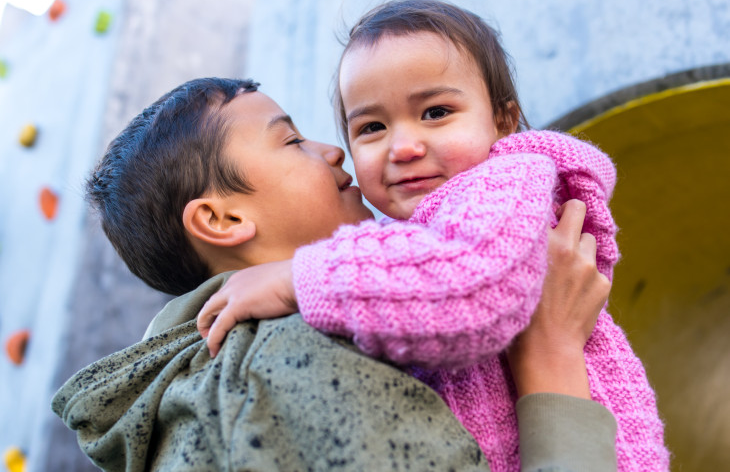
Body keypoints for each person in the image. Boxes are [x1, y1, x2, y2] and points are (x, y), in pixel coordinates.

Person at [197, 0, 670, 472]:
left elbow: (472, 288)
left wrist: (293, 279)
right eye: (372, 127)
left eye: (436, 112)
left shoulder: (506, 183)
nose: (403, 147)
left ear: (502, 121)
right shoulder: (424, 229)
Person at [52, 77, 618, 471]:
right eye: (292, 141)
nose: (334, 153)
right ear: (221, 219)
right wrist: (552, 356)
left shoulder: (198, 392)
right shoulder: (288, 363)